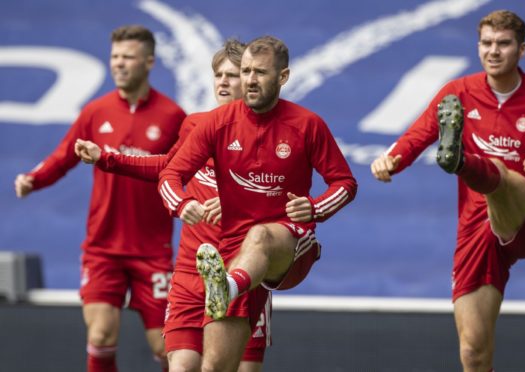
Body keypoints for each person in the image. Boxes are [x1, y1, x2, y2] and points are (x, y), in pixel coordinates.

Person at [371, 10, 525, 372]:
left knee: (503, 176)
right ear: (478, 47)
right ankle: (462, 160)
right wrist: (392, 160)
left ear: (521, 50)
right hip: (477, 229)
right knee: (473, 352)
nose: (494, 51)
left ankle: (460, 161)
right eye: (486, 43)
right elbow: (418, 134)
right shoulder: (457, 93)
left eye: (503, 44)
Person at [158, 35, 358, 371]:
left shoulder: (307, 125)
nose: (250, 79)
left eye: (260, 73)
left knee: (261, 236)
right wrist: (181, 205)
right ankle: (229, 286)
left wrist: (315, 208)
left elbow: (345, 183)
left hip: (290, 244)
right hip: (233, 259)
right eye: (246, 71)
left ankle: (228, 286)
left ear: (283, 77)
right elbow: (169, 175)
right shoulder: (217, 123)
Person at [75, 39, 270, 372]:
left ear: (252, 80)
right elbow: (168, 166)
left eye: (232, 75)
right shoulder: (197, 124)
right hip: (191, 273)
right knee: (180, 366)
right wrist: (107, 158)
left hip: (242, 274)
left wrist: (242, 203)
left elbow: (284, 199)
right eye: (218, 74)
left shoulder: (273, 137)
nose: (222, 82)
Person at [14, 25, 185, 372]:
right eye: (115, 57)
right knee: (102, 333)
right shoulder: (96, 111)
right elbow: (64, 155)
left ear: (149, 62)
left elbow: (188, 168)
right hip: (102, 248)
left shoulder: (172, 116)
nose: (119, 64)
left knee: (167, 349)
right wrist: (35, 179)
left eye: (128, 57)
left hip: (152, 251)